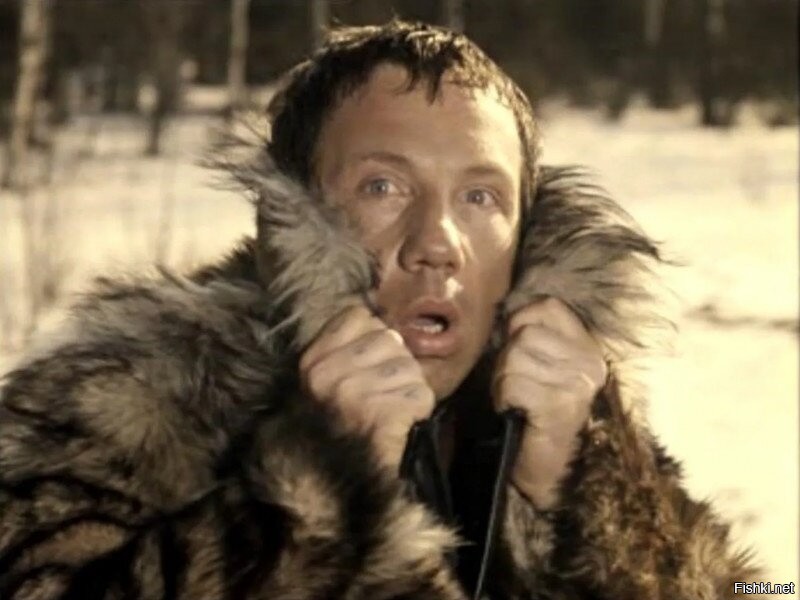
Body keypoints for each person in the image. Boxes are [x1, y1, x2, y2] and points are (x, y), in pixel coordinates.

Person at [0, 20, 762, 600]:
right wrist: (313, 499)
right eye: (383, 187)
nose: (437, 244)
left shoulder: (558, 414)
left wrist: (594, 503)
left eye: (480, 197)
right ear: (285, 222)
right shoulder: (132, 399)